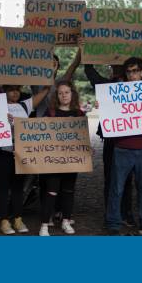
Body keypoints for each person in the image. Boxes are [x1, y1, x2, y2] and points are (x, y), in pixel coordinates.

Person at [104, 57, 142, 236]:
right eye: (129, 71)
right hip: (121, 148)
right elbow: (108, 109)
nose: (132, 74)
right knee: (117, 189)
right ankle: (113, 224)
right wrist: (102, 104)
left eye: (135, 71)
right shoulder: (116, 91)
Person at [0, 82, 51, 235]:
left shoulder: (25, 106)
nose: (15, 93)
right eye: (11, 90)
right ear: (4, 91)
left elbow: (46, 90)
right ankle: (4, 221)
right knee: (3, 188)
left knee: (18, 188)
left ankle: (18, 219)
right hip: (4, 153)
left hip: (20, 153)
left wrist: (50, 73)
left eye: (17, 89)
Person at [38, 81, 84, 236]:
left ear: (72, 94)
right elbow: (39, 133)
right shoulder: (50, 112)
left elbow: (82, 138)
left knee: (68, 191)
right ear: (56, 95)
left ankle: (66, 221)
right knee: (51, 192)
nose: (64, 95)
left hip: (72, 160)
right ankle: (44, 225)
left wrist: (86, 149)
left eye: (67, 92)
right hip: (54, 160)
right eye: (60, 93)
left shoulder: (79, 114)